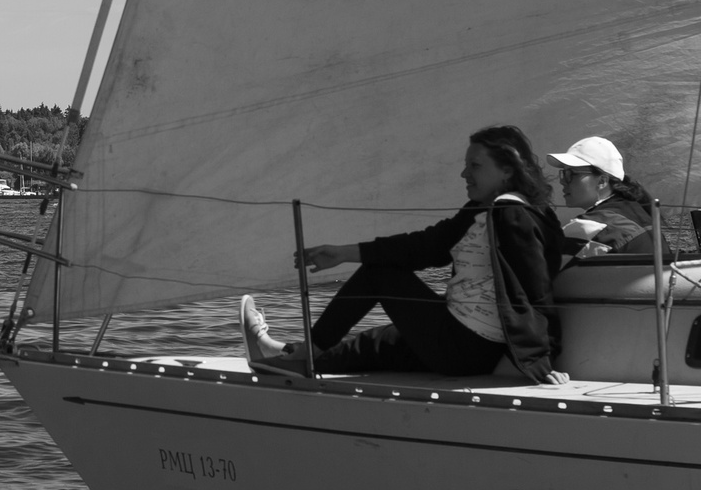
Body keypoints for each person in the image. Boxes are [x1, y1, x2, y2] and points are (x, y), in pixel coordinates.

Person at [241, 124, 567, 382]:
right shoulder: (478, 211)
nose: (464, 174)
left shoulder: (513, 214)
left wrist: (542, 357)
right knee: (373, 345)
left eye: (475, 165)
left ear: (507, 170)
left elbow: (535, 287)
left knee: (378, 273)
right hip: (456, 335)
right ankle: (285, 356)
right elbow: (425, 247)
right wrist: (343, 252)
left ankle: (303, 356)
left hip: (467, 347)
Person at [550, 136, 658, 257]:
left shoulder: (592, 227)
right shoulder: (642, 213)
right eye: (563, 173)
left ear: (602, 181)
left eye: (571, 174)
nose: (563, 181)